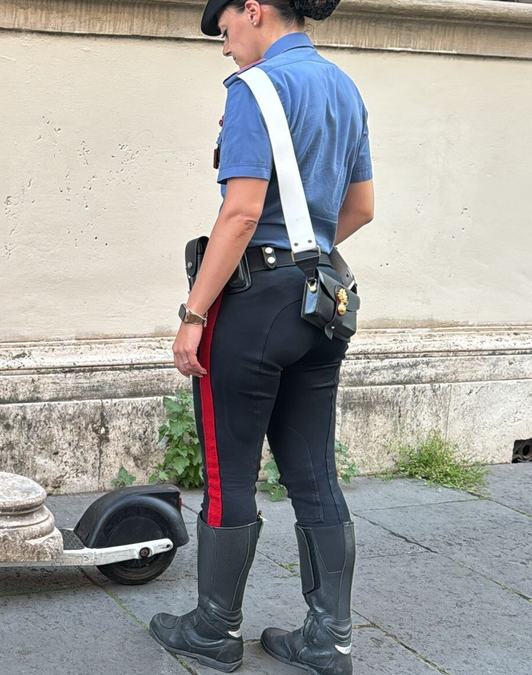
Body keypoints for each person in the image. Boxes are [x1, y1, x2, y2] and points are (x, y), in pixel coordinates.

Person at [149, 0, 373, 673]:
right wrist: (305, 253)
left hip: (255, 306)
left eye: (225, 31)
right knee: (314, 471)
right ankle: (329, 638)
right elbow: (361, 207)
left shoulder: (256, 87)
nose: (225, 47)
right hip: (322, 299)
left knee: (229, 471)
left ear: (253, 10)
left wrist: (193, 313)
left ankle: (214, 630)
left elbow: (241, 213)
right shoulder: (343, 86)